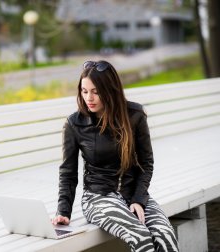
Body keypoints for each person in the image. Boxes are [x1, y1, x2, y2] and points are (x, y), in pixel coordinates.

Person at [51, 60, 179, 252]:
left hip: (132, 193)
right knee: (140, 236)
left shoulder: (135, 115)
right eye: (84, 91)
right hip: (97, 196)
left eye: (95, 91)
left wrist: (138, 199)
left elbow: (146, 163)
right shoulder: (74, 124)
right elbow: (68, 173)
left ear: (110, 90)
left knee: (165, 235)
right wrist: (63, 211)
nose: (89, 98)